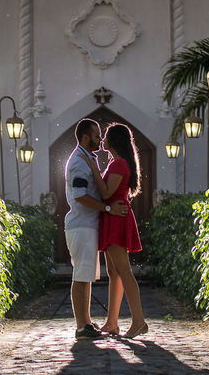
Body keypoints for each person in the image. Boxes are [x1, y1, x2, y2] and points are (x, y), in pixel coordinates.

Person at [81, 122, 148, 339]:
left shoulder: (119, 164)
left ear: (114, 140)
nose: (102, 140)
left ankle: (139, 321)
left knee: (124, 271)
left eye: (106, 136)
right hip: (112, 217)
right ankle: (112, 323)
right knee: (113, 272)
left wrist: (93, 169)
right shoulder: (115, 162)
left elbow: (107, 192)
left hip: (116, 218)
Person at [64, 117, 128, 340]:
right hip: (82, 225)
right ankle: (82, 326)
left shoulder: (87, 158)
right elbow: (80, 196)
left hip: (88, 226)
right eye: (96, 135)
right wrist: (107, 207)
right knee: (81, 275)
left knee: (85, 275)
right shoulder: (79, 162)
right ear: (85, 137)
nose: (101, 139)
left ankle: (87, 323)